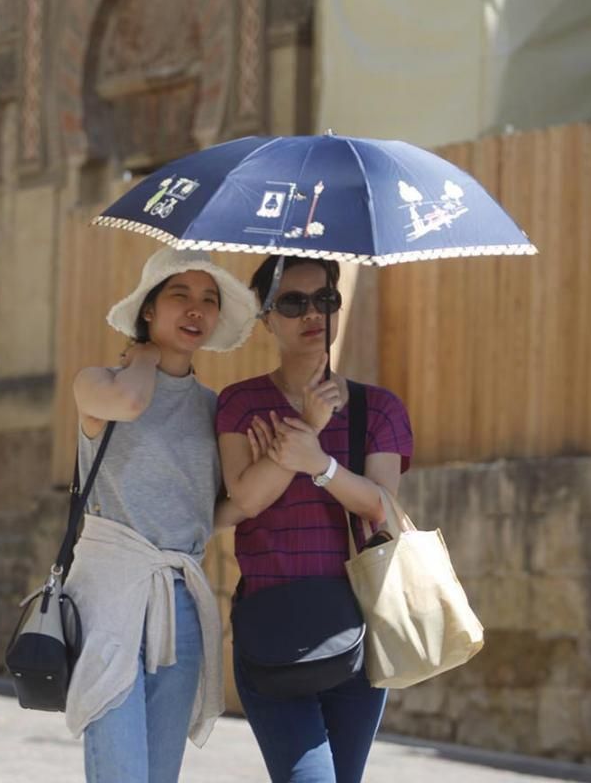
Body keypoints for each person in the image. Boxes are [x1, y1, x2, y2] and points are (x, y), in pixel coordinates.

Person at [215, 256, 414, 783]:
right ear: (266, 316)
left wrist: (319, 464)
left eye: (325, 299)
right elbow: (247, 499)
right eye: (293, 302)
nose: (313, 315)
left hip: (356, 626)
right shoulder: (241, 404)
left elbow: (382, 510)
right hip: (270, 625)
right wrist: (308, 425)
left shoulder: (378, 409)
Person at [63, 248, 256, 783]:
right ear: (147, 309)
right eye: (180, 295)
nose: (196, 309)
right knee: (122, 771)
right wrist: (144, 358)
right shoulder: (95, 382)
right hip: (111, 596)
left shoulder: (217, 410)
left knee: (159, 775)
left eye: (209, 300)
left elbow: (220, 507)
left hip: (183, 602)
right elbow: (128, 406)